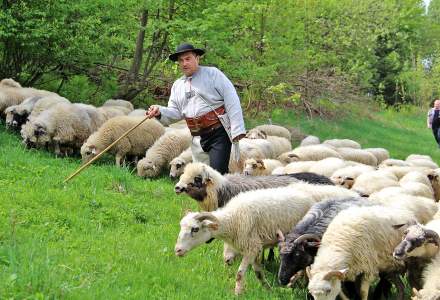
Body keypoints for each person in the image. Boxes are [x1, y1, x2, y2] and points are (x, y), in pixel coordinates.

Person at [146, 43, 246, 174]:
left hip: (218, 133)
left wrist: (237, 128)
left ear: (197, 58)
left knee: (217, 175)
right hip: (196, 137)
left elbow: (231, 98)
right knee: (200, 178)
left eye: (188, 59)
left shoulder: (213, 74)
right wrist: (159, 111)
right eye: (181, 60)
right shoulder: (178, 85)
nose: (184, 63)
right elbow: (175, 112)